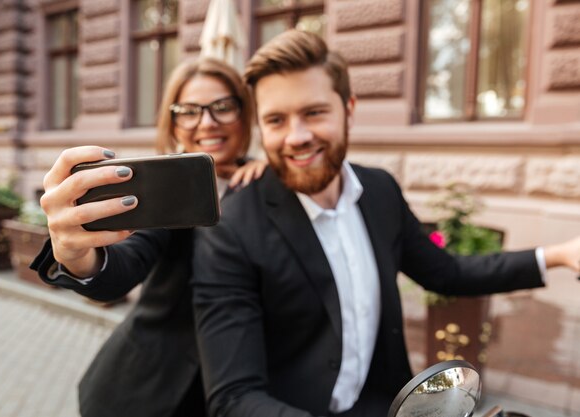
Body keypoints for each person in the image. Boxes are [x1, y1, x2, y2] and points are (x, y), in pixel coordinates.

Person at [191, 30, 580, 417]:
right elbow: (234, 398)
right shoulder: (231, 227)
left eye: (314, 112)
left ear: (349, 110)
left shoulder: (380, 191)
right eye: (276, 120)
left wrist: (560, 255)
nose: (297, 137)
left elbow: (447, 273)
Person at [30, 58, 266, 417]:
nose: (207, 122)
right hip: (141, 391)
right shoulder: (165, 188)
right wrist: (77, 256)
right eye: (188, 111)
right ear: (172, 124)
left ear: (244, 114)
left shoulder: (266, 182)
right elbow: (126, 262)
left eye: (222, 107)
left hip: (239, 393)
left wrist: (269, 179)